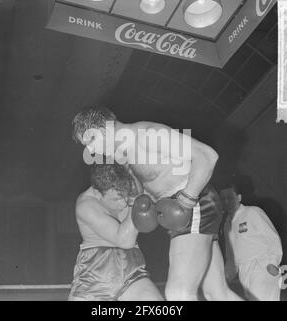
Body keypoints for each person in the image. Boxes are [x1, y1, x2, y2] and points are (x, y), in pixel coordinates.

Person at [72, 106, 242, 301]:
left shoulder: (148, 135)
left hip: (195, 205)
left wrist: (186, 201)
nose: (90, 150)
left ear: (101, 131)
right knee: (217, 294)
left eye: (90, 141)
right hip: (186, 211)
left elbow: (207, 156)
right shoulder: (125, 154)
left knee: (178, 293)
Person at [68, 162, 163, 301]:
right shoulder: (86, 205)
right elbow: (124, 240)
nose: (122, 203)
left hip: (130, 267)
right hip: (95, 271)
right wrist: (134, 203)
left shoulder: (131, 185)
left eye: (124, 196)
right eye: (116, 199)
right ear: (97, 193)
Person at [220, 183, 283, 301]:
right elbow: (230, 255)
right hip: (244, 273)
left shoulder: (252, 212)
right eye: (223, 199)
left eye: (230, 197)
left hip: (262, 267)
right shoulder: (226, 224)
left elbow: (272, 237)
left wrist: (273, 262)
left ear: (239, 198)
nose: (226, 202)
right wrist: (227, 277)